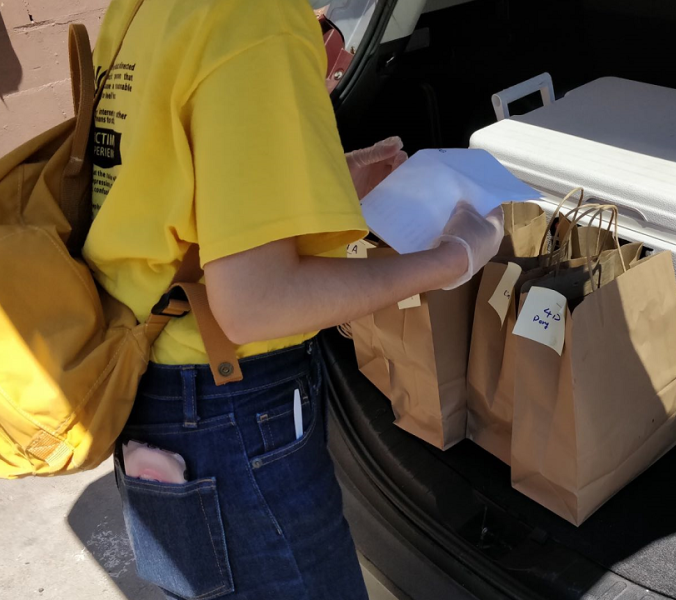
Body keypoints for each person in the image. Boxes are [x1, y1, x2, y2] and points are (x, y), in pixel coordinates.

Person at [83, 1, 503, 598]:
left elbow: (168, 189)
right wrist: (448, 261)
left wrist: (324, 184)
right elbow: (255, 304)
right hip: (231, 412)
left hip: (153, 387)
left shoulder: (147, 9)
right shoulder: (259, 18)